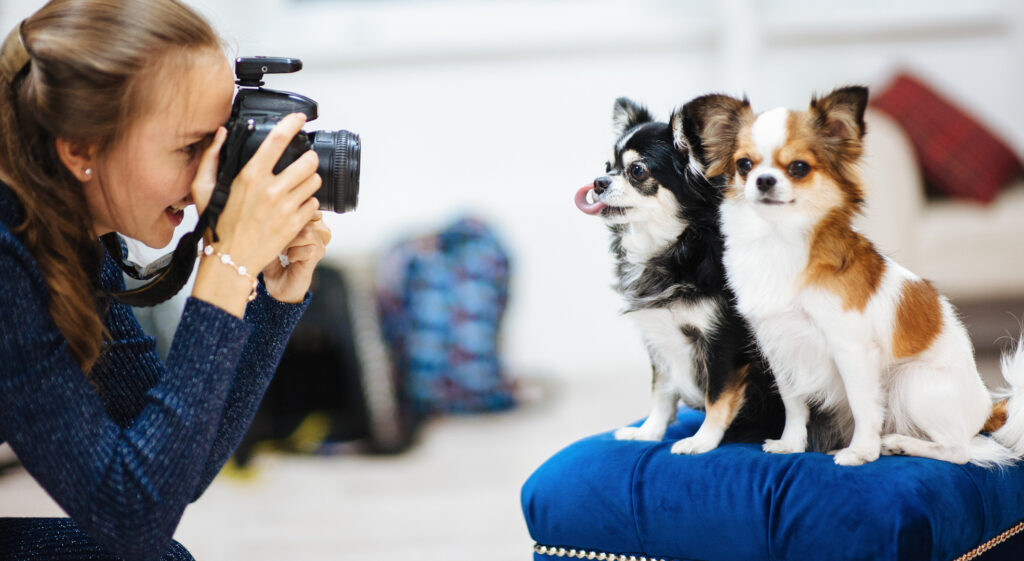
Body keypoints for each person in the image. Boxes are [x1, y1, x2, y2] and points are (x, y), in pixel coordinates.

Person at [0, 1, 332, 559]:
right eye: (190, 147)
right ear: (80, 147)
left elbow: (179, 467)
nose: (212, 175)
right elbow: (131, 515)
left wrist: (273, 295)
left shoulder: (67, 238)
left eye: (221, 144)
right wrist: (224, 271)